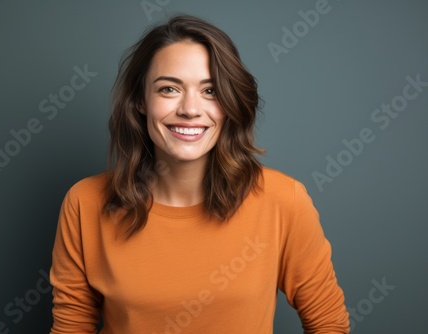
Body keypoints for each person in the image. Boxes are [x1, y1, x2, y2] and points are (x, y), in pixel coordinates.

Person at [49, 14, 349, 334]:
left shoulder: (283, 200)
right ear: (140, 100)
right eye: (169, 89)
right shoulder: (86, 203)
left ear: (230, 102)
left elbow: (328, 323)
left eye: (210, 91)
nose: (190, 109)